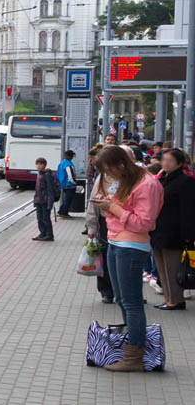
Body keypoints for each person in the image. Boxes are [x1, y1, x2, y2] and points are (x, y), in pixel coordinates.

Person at [90, 145, 163, 372]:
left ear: (120, 164)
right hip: (116, 242)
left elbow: (144, 222)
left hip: (131, 246)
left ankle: (135, 355)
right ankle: (131, 347)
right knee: (122, 299)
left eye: (109, 170)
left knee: (131, 303)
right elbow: (125, 209)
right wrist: (108, 204)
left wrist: (112, 206)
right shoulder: (129, 180)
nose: (109, 176)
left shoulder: (146, 184)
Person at [150, 148, 195, 310]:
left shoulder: (185, 181)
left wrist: (188, 235)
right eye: (164, 160)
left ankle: (176, 300)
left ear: (180, 163)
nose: (165, 163)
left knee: (173, 267)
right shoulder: (162, 179)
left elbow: (188, 210)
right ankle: (168, 298)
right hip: (158, 229)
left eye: (170, 160)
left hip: (174, 231)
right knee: (162, 267)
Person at [85, 172, 114, 304]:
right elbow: (93, 203)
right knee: (105, 257)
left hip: (127, 225)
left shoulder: (132, 176)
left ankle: (123, 291)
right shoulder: (103, 177)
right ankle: (106, 291)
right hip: (106, 222)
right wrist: (91, 227)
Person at [32, 157, 57, 242]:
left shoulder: (47, 174)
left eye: (40, 164)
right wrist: (35, 200)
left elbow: (50, 189)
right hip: (39, 200)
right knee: (39, 218)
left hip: (45, 201)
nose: (38, 166)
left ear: (44, 165)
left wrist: (50, 203)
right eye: (37, 164)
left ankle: (49, 235)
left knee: (45, 218)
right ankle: (42, 233)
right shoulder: (39, 174)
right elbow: (37, 189)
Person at [56, 150, 77, 218]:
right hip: (69, 185)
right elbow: (70, 175)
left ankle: (60, 211)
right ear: (70, 156)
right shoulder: (69, 164)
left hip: (63, 184)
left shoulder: (61, 163)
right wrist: (75, 182)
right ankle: (64, 213)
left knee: (66, 199)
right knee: (68, 200)